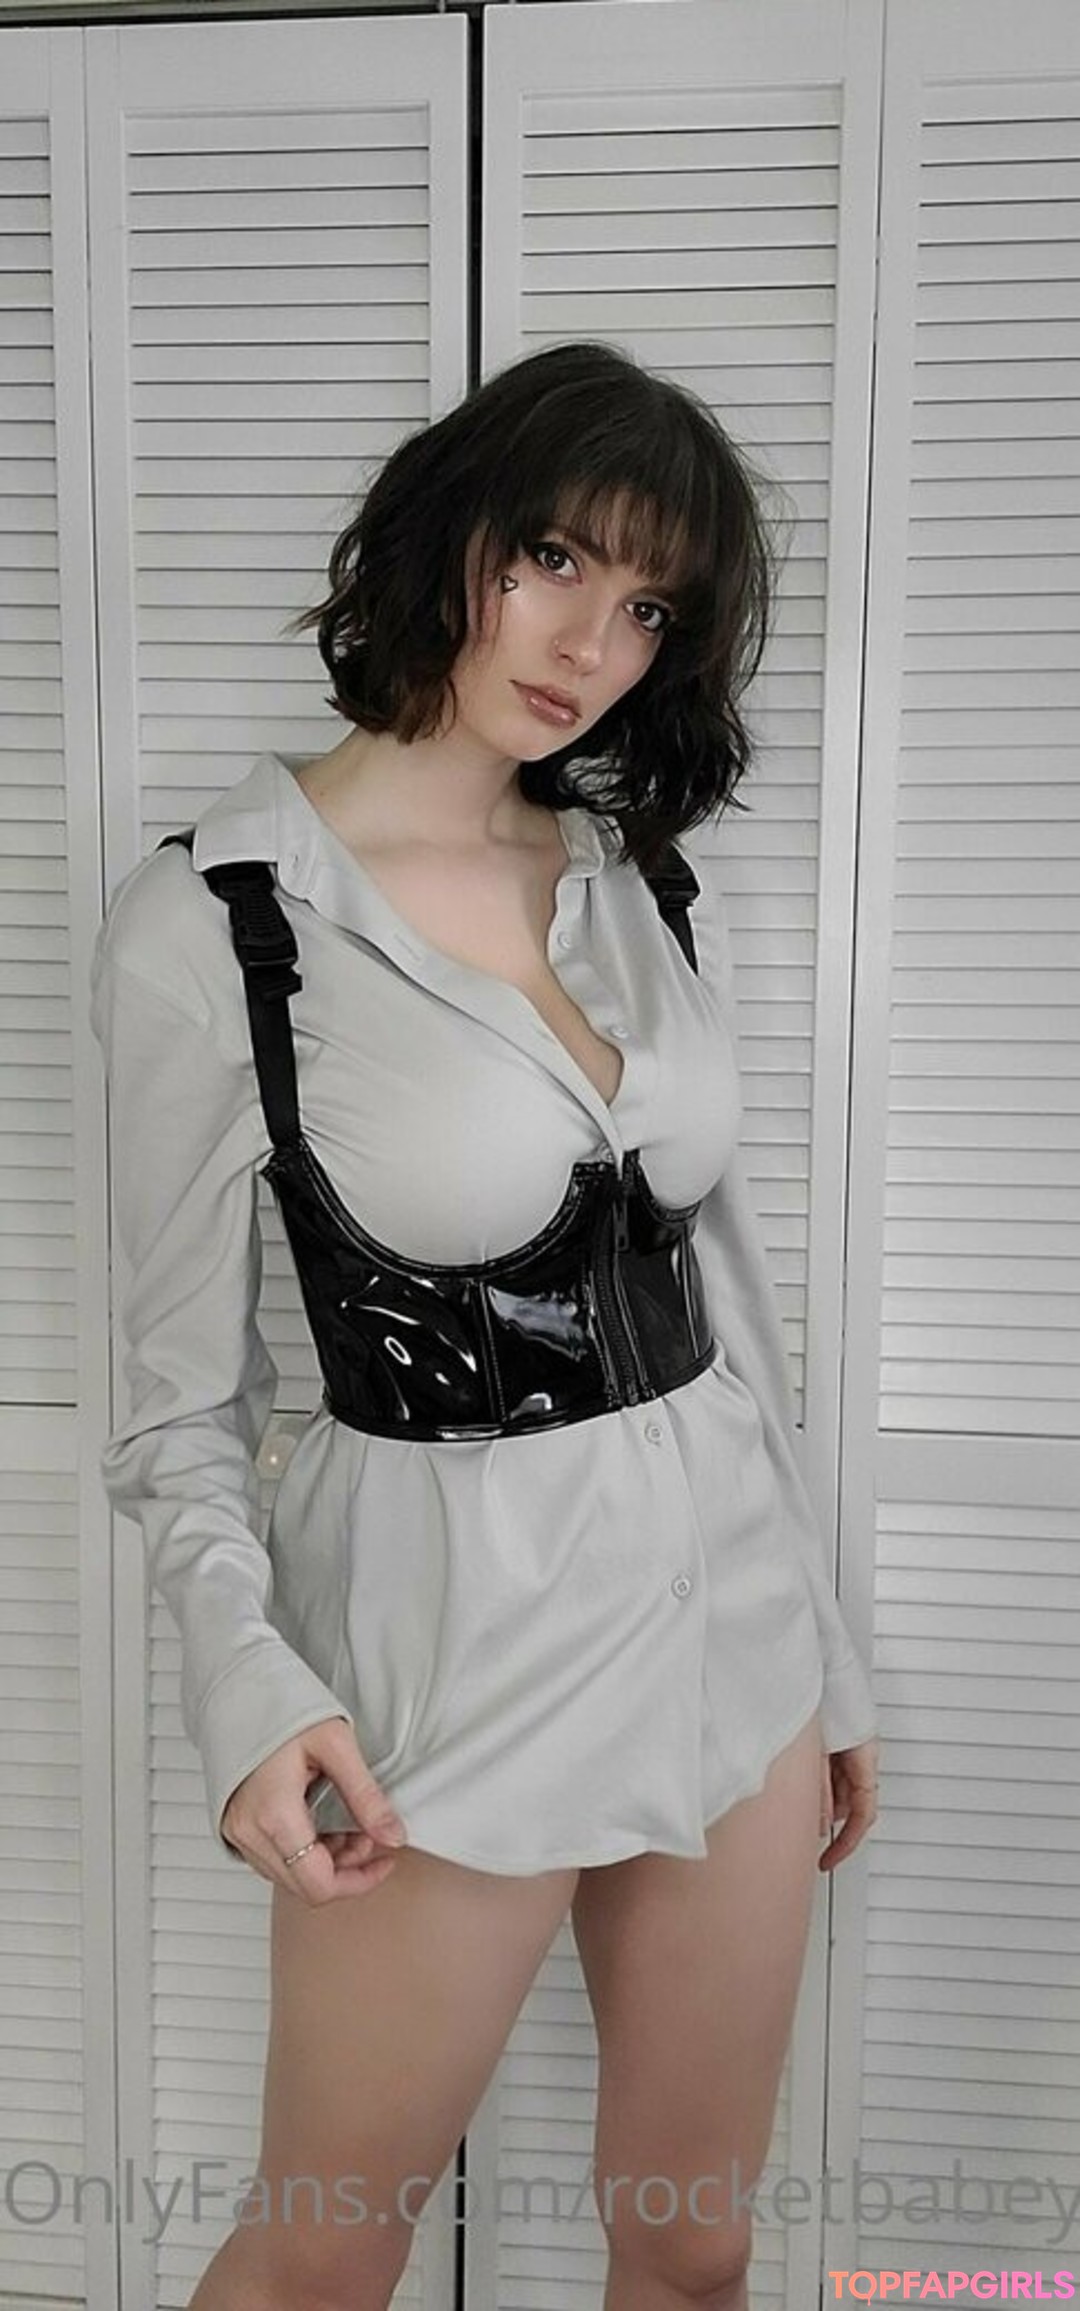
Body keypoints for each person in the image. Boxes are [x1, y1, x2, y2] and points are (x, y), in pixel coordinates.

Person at [90, 339, 879, 2311]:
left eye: (651, 608)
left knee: (693, 2244)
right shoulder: (221, 921)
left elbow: (722, 1309)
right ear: (449, 535)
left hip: (732, 1645)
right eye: (556, 558)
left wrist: (830, 1659)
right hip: (446, 1662)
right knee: (319, 2258)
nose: (592, 645)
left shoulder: (639, 885)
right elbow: (178, 1402)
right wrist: (250, 1695)